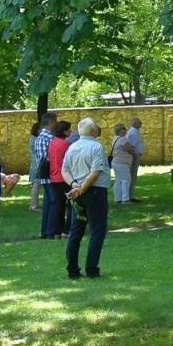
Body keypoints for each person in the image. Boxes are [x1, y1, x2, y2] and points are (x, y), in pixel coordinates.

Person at [62, 118, 111, 279]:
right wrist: (81, 188)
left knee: (76, 231)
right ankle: (92, 269)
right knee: (97, 231)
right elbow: (95, 172)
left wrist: (74, 185)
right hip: (94, 192)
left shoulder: (72, 147)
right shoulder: (96, 147)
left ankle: (72, 270)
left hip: (78, 193)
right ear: (93, 131)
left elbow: (65, 171)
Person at [42, 120, 74, 240]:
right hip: (64, 177)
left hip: (53, 177)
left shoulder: (52, 142)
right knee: (71, 204)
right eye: (69, 129)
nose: (71, 131)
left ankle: (53, 231)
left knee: (57, 205)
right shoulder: (66, 144)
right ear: (65, 131)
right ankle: (67, 229)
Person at [29, 115, 52, 213]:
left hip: (35, 163)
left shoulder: (34, 138)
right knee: (36, 184)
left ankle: (34, 204)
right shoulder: (35, 139)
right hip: (37, 164)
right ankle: (33, 205)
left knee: (36, 184)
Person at [110, 123, 134, 203]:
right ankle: (125, 199)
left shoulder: (115, 138)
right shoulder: (122, 139)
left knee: (118, 180)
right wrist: (133, 149)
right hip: (122, 163)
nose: (125, 130)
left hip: (116, 162)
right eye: (123, 128)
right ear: (120, 130)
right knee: (126, 179)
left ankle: (117, 198)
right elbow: (130, 150)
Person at [123, 119, 144, 201]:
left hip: (136, 155)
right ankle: (129, 196)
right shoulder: (132, 133)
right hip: (134, 156)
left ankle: (130, 195)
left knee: (133, 176)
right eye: (139, 122)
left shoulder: (135, 131)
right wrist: (136, 155)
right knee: (132, 176)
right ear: (134, 123)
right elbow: (132, 146)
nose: (141, 123)